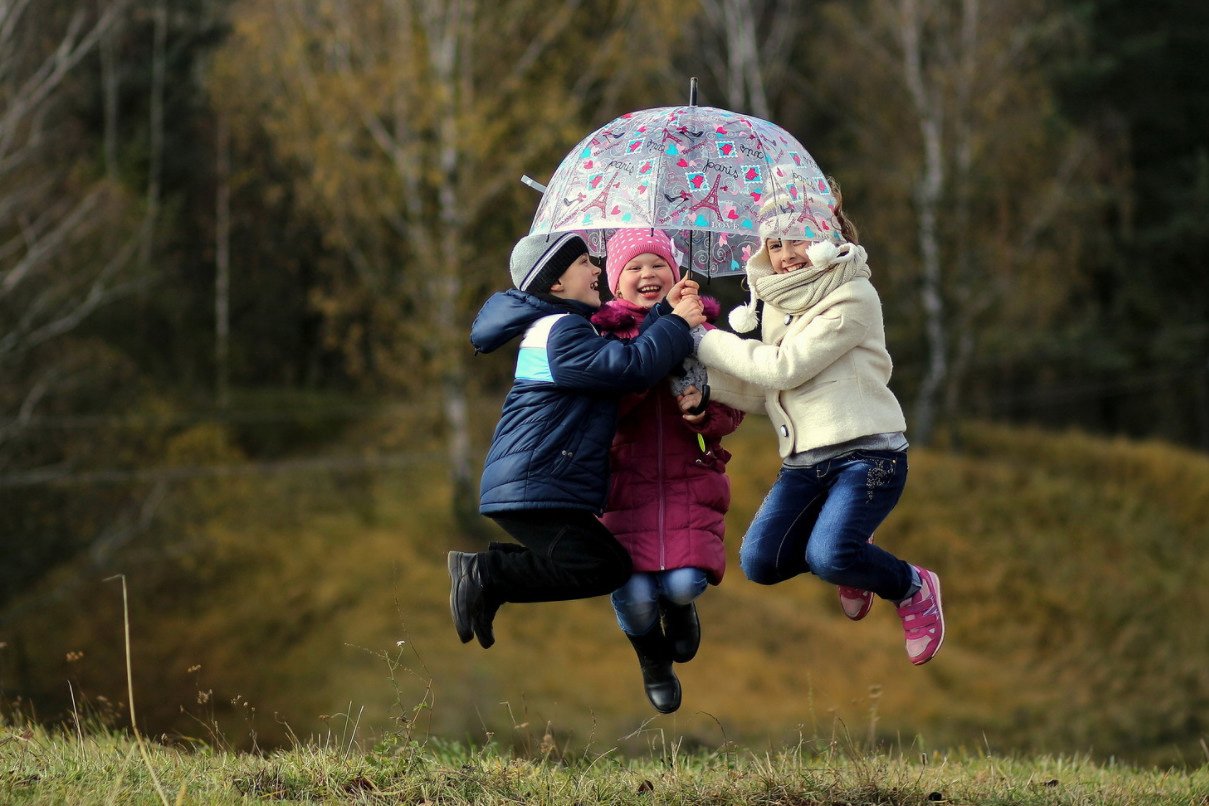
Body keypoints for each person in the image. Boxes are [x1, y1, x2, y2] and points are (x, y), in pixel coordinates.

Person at [692, 179, 945, 665]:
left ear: (828, 237)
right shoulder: (777, 308)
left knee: (829, 555)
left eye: (799, 240)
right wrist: (699, 383)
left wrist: (703, 339)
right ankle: (852, 558)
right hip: (805, 462)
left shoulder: (853, 296)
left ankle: (911, 586)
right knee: (760, 563)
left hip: (867, 455)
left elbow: (784, 366)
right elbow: (769, 389)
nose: (786, 254)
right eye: (775, 243)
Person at [448, 231, 707, 659]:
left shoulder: (563, 328)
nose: (596, 270)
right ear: (555, 284)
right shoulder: (559, 330)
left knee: (605, 564)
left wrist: (663, 311)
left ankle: (488, 581)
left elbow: (623, 355)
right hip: (538, 481)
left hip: (539, 479)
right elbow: (632, 367)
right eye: (585, 263)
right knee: (602, 568)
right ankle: (485, 574)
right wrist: (677, 324)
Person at [589, 228, 744, 713]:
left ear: (676, 274)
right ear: (616, 285)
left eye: (657, 264)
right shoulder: (603, 339)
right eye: (633, 267)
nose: (647, 275)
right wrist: (657, 343)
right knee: (632, 593)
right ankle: (652, 661)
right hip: (623, 484)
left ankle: (680, 610)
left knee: (683, 582)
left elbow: (735, 405)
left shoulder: (703, 334)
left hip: (688, 478)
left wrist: (704, 413)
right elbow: (602, 406)